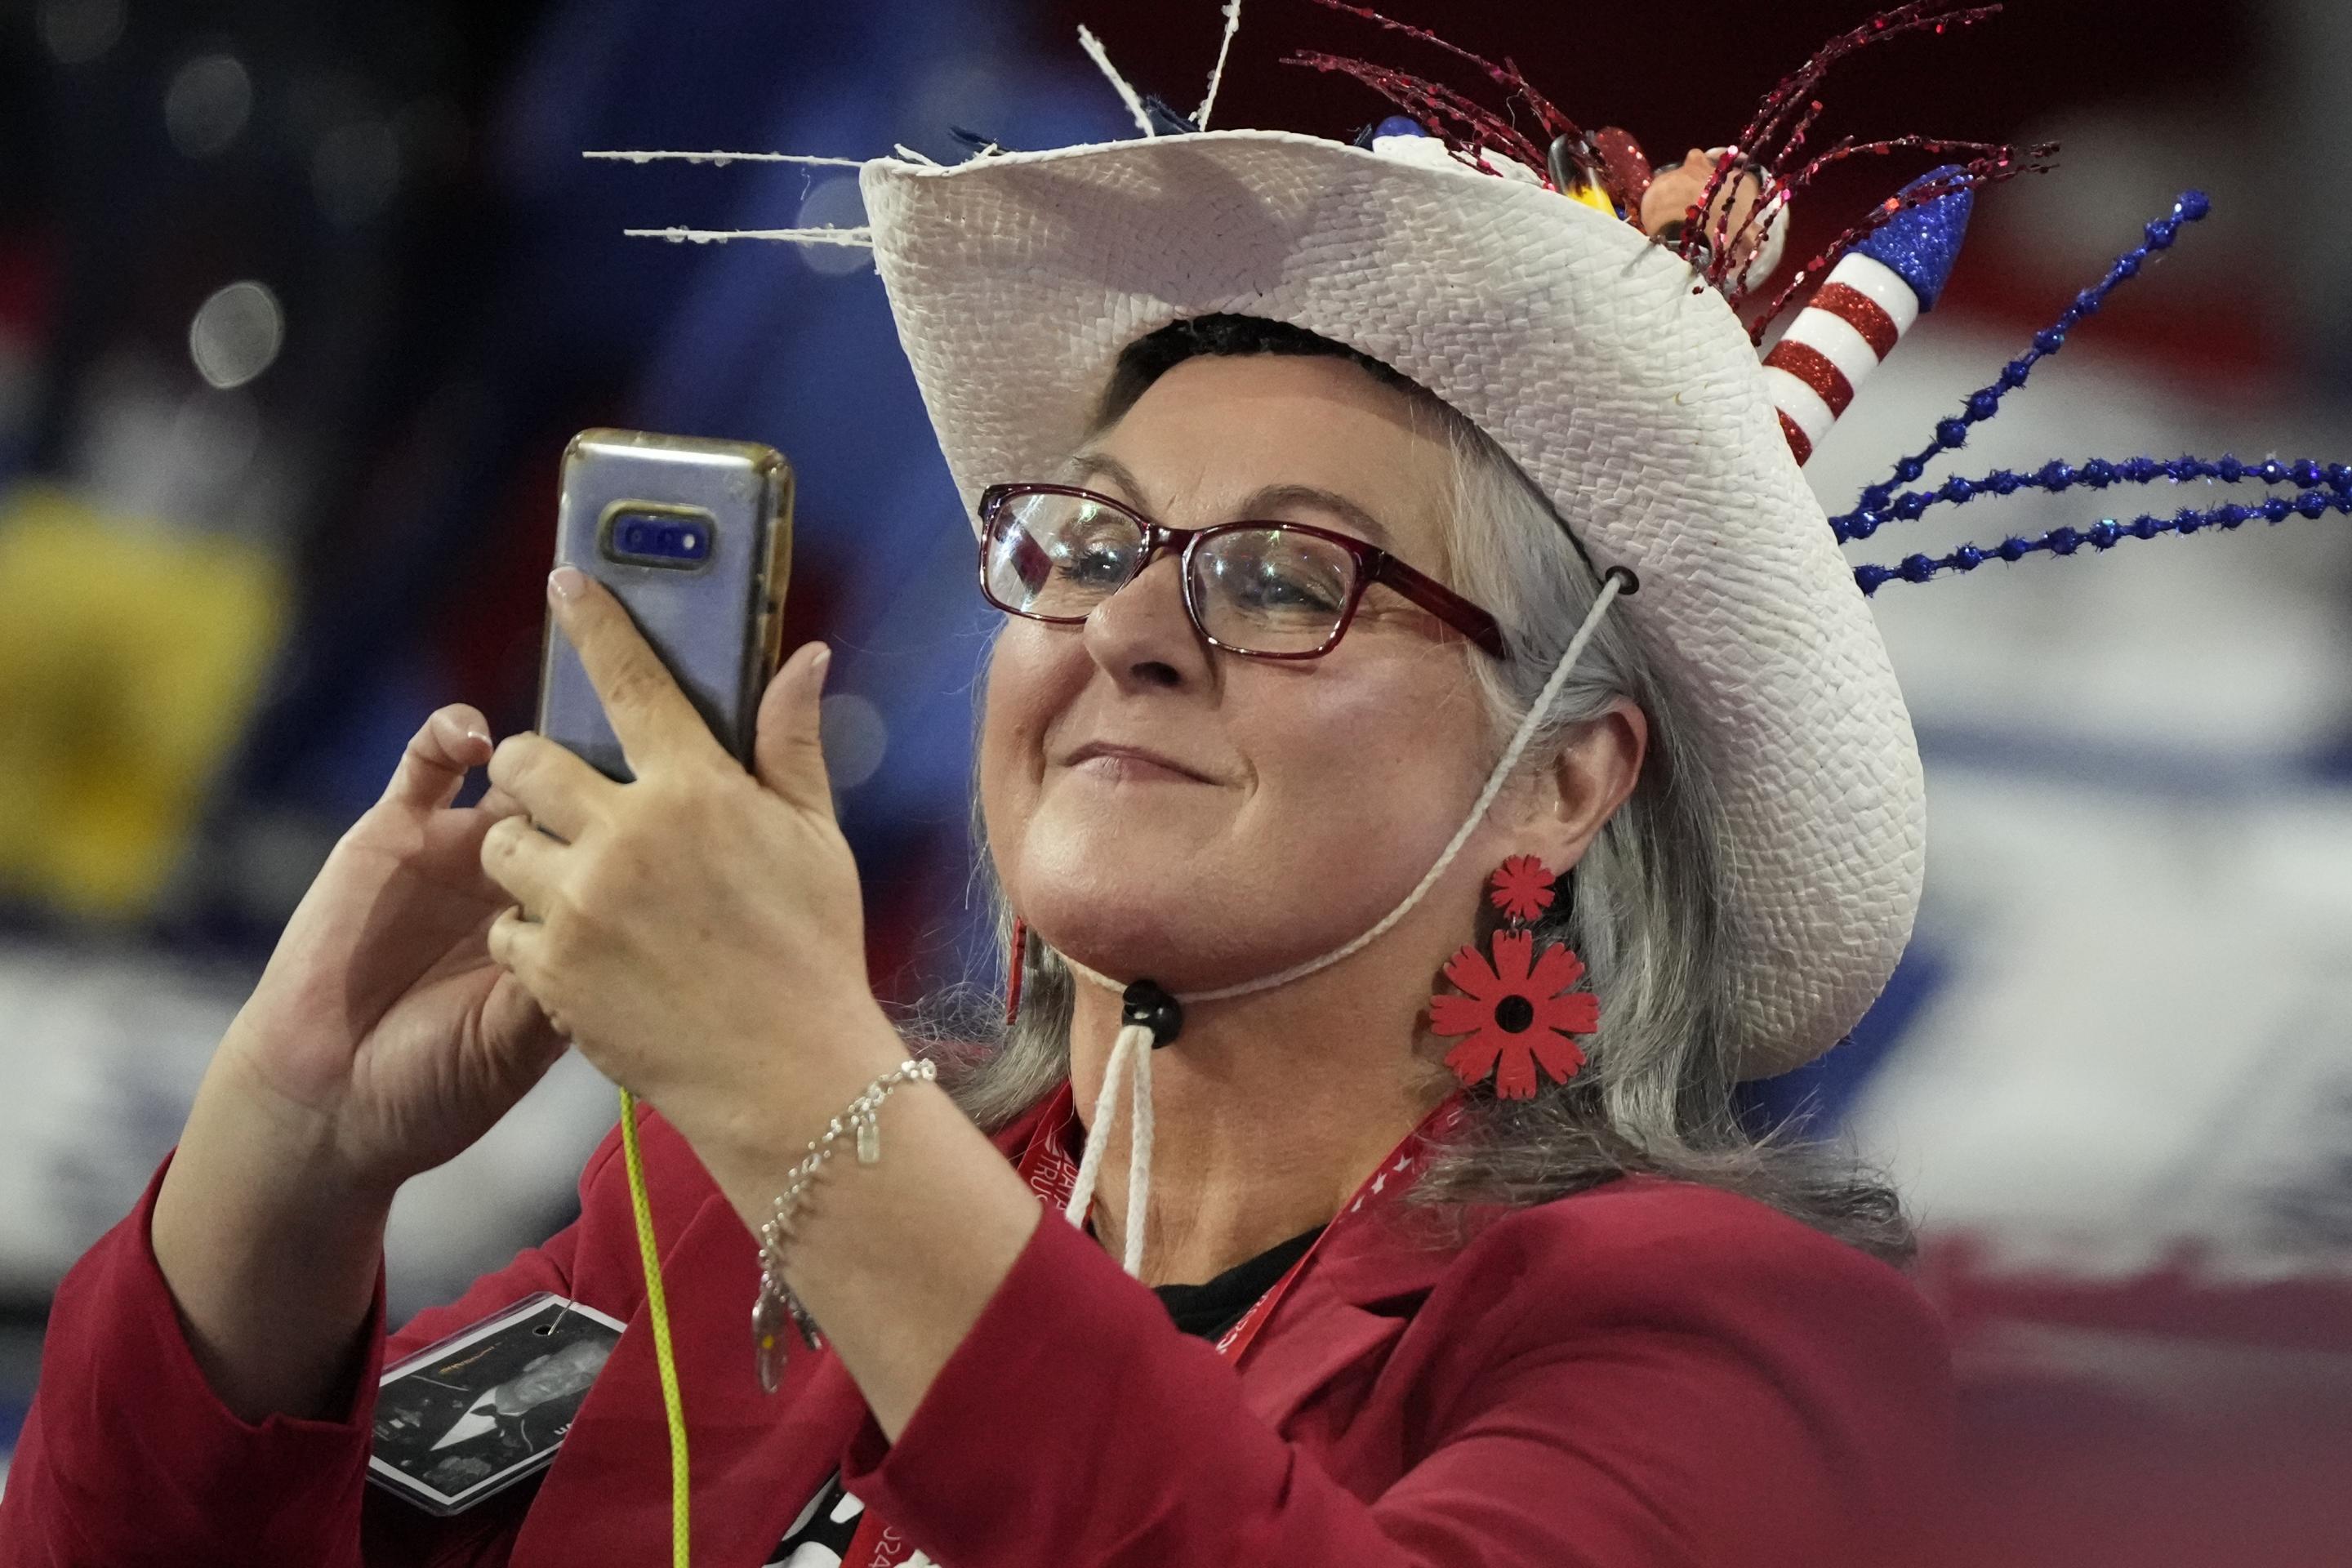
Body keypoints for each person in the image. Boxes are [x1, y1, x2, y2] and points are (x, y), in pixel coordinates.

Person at [0, 32, 1985, 1568]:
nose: (1129, 629)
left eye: (1287, 575)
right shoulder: (705, 1226)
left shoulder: (1725, 1335)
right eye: (1084, 540)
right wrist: (288, 1158)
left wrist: (800, 1094)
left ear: (1566, 770)